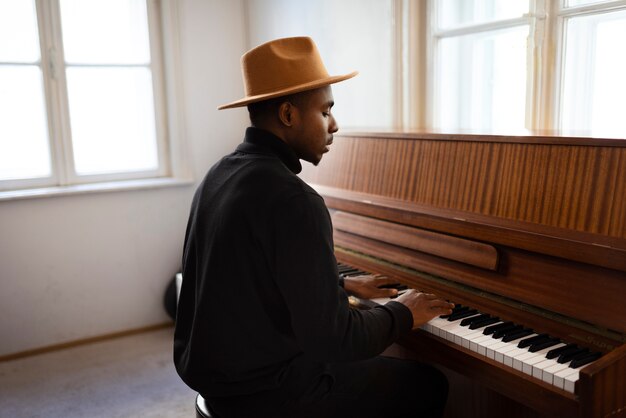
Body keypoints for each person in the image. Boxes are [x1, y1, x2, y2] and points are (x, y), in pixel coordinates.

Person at [174, 36, 454, 418]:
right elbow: (335, 340)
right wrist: (403, 312)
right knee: (427, 383)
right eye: (326, 111)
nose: (335, 125)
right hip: (267, 394)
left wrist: (336, 284)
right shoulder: (294, 199)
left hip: (220, 381)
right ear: (288, 115)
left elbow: (246, 279)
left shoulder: (220, 173)